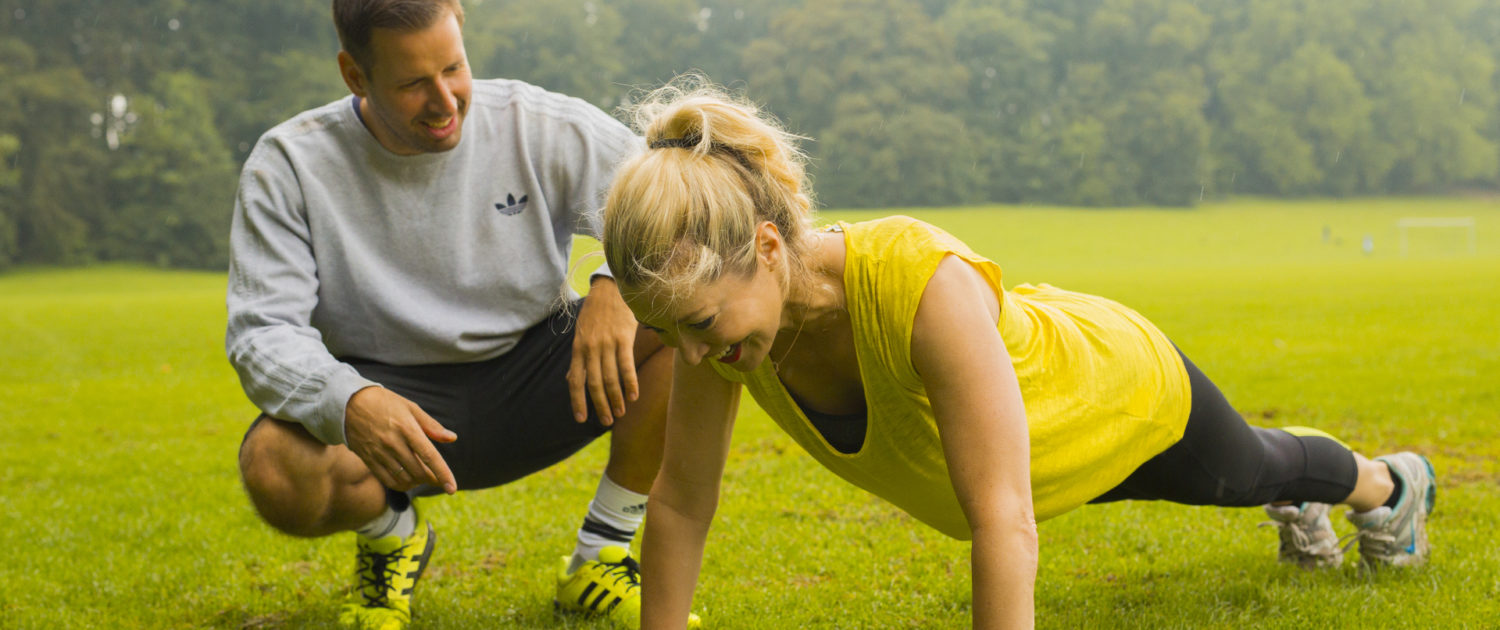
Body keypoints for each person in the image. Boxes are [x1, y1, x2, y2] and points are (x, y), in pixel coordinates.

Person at [597, 79, 1438, 630]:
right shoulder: (729, 336)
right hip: (1030, 456)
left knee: (1246, 472)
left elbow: (1002, 522)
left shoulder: (921, 285)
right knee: (1241, 472)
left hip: (1111, 394)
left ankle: (1389, 485)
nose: (693, 359)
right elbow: (679, 507)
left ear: (770, 248)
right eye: (675, 334)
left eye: (701, 325)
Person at [228, 2, 698, 628]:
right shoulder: (287, 164)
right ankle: (392, 535)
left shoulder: (535, 123)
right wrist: (350, 400)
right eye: (413, 83)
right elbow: (262, 332)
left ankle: (601, 556)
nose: (445, 100)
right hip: (389, 399)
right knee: (272, 467)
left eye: (454, 68)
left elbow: (677, 197)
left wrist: (615, 281)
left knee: (682, 314)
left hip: (543, 378)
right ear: (354, 76)